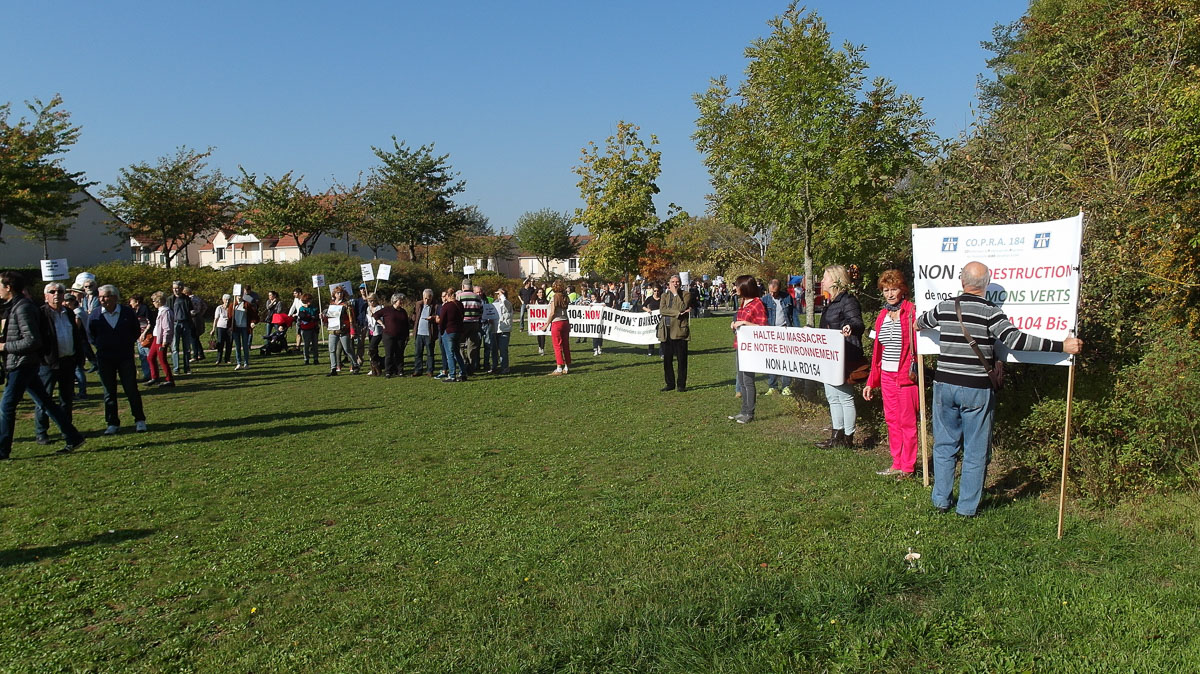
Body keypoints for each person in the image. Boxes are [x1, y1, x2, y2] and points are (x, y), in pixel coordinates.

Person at [916, 261, 1083, 517]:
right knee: (975, 450)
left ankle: (941, 501)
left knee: (944, 445)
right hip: (975, 388)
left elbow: (920, 323)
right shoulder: (990, 311)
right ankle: (966, 509)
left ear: (962, 282)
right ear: (985, 286)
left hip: (944, 384)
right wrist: (1062, 346)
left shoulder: (945, 306)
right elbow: (1016, 340)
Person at [0, 272, 88, 457]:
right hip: (25, 363)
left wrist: (4, 346)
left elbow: (32, 340)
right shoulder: (16, 306)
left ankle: (2, 450)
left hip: (22, 363)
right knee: (46, 402)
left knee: (7, 406)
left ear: (8, 287)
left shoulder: (22, 308)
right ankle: (73, 437)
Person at [863, 270, 919, 477]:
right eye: (886, 290)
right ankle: (897, 462)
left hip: (905, 376)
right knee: (892, 420)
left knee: (907, 423)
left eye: (893, 289)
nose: (890, 294)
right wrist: (871, 381)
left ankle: (908, 466)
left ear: (902, 289)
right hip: (886, 375)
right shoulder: (882, 315)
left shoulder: (912, 311)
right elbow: (878, 351)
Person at [32, 282, 89, 446]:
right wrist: (43, 358)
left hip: (68, 361)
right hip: (48, 363)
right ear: (46, 296)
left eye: (60, 291)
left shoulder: (69, 313)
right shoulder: (40, 314)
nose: (56, 294)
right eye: (52, 291)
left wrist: (79, 357)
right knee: (44, 398)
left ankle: (67, 431)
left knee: (66, 399)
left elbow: (77, 336)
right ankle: (41, 432)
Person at [87, 283, 148, 435]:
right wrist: (103, 345)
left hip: (125, 356)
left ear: (114, 297)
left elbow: (135, 331)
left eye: (105, 296)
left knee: (131, 389)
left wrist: (124, 343)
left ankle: (139, 420)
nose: (102, 300)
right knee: (109, 391)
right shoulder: (95, 315)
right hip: (105, 357)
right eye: (100, 297)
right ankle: (112, 422)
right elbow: (90, 334)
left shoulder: (127, 313)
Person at [815, 265, 864, 449]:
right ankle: (836, 436)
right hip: (830, 356)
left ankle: (848, 439)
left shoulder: (848, 301)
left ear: (836, 279)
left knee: (844, 396)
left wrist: (850, 328)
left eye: (825, 278)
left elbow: (857, 323)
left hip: (845, 355)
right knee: (832, 396)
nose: (822, 281)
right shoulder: (831, 302)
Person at [728, 275, 766, 423]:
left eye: (737, 286)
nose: (735, 288)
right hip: (740, 345)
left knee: (748, 380)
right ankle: (743, 410)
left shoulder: (757, 304)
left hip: (751, 348)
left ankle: (749, 412)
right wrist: (735, 324)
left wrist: (744, 323)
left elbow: (763, 327)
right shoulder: (742, 303)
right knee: (742, 379)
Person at [762, 279, 798, 396]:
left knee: (786, 359)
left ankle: (786, 385)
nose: (773, 294)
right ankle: (772, 386)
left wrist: (797, 330)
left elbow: (793, 315)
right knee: (772, 359)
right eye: (771, 292)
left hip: (785, 331)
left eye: (775, 293)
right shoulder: (765, 300)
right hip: (771, 333)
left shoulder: (787, 298)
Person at [658, 274, 692, 392]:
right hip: (666, 331)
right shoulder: (664, 295)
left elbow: (682, 306)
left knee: (682, 360)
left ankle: (681, 385)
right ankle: (670, 383)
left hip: (679, 330)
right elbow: (662, 310)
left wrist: (676, 294)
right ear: (669, 283)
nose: (675, 284)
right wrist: (677, 313)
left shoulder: (685, 295)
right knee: (667, 360)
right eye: (673, 282)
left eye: (677, 281)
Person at [375, 293, 410, 378]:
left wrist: (407, 335)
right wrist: (382, 323)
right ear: (395, 301)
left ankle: (400, 371)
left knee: (400, 354)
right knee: (389, 354)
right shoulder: (387, 310)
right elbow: (375, 315)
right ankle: (388, 371)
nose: (401, 302)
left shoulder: (403, 311)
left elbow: (406, 324)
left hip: (401, 336)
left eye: (402, 300)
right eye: (400, 300)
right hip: (388, 335)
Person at [326, 284, 358, 376]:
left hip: (344, 330)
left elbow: (351, 318)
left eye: (341, 293)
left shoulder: (347, 304)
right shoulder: (331, 304)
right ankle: (333, 368)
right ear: (334, 294)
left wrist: (352, 331)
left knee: (347, 349)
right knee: (332, 349)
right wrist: (323, 317)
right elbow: (329, 317)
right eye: (337, 293)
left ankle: (355, 365)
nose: (339, 294)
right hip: (333, 330)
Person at [146, 291, 175, 387]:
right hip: (156, 337)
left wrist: (165, 341)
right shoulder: (161, 310)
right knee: (150, 357)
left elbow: (167, 328)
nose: (153, 303)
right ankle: (155, 377)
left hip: (161, 339)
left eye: (154, 301)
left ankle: (169, 379)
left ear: (158, 301)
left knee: (162, 359)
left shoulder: (166, 311)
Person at [436, 288, 465, 382]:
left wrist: (439, 326)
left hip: (448, 331)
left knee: (450, 354)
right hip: (458, 331)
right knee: (457, 353)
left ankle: (452, 375)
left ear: (448, 296)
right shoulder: (460, 304)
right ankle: (463, 373)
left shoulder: (447, 306)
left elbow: (442, 320)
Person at [167, 281, 194, 375]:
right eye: (174, 288)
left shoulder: (186, 299)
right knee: (175, 347)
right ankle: (176, 368)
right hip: (174, 324)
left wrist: (192, 313)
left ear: (181, 288)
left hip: (185, 323)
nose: (175, 290)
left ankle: (187, 368)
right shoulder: (170, 299)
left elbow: (191, 309)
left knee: (186, 347)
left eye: (177, 288)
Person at [456, 281, 482, 374]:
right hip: (474, 323)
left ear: (463, 286)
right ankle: (471, 366)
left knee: (459, 344)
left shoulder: (459, 296)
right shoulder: (477, 297)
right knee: (472, 346)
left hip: (463, 323)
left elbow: (457, 310)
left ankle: (464, 362)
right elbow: (481, 311)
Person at [411, 289, 439, 377]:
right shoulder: (419, 304)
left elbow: (439, 317)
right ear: (423, 297)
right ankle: (418, 370)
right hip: (419, 333)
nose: (427, 300)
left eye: (429, 299)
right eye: (425, 298)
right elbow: (414, 315)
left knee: (430, 353)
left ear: (432, 298)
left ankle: (430, 370)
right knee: (418, 353)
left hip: (429, 333)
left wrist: (433, 318)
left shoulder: (435, 306)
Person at [547, 279, 571, 375]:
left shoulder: (554, 297)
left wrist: (546, 324)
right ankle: (567, 366)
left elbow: (553, 312)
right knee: (565, 345)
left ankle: (559, 367)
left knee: (557, 345)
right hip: (565, 321)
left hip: (557, 322)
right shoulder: (565, 297)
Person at [230, 291, 258, 370]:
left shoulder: (247, 304)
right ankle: (239, 363)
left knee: (245, 345)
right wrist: (230, 327)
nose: (239, 297)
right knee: (237, 346)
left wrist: (252, 322)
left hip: (244, 328)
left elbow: (253, 315)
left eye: (240, 295)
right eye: (237, 295)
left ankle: (246, 363)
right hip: (236, 328)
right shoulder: (232, 305)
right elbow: (230, 317)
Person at [129, 294, 153, 379]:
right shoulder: (133, 311)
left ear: (137, 301)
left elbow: (149, 322)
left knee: (149, 355)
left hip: (146, 335)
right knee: (142, 356)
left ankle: (153, 374)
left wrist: (144, 333)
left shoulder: (144, 309)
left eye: (131, 301)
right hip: (138, 336)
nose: (130, 303)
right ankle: (147, 375)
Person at [363, 292, 385, 376]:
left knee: (371, 350)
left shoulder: (380, 308)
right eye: (369, 301)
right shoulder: (368, 308)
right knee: (373, 350)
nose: (371, 303)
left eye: (373, 301)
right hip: (370, 330)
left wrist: (375, 316)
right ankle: (374, 368)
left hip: (378, 331)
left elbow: (382, 319)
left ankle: (377, 366)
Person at [295, 293, 320, 366]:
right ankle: (306, 359)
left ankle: (316, 359)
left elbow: (316, 317)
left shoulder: (314, 308)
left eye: (310, 299)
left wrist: (311, 317)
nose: (310, 301)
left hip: (314, 328)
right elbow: (303, 317)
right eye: (308, 299)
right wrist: (311, 317)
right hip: (305, 329)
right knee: (306, 345)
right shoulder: (302, 309)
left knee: (315, 345)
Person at [184, 286, 207, 361]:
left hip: (192, 318)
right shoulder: (198, 298)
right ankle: (201, 353)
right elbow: (205, 306)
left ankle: (195, 355)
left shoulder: (189, 300)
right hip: (198, 318)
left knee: (193, 337)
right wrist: (201, 314)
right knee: (196, 337)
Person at [493, 288, 513, 373]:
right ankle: (494, 366)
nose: (499, 295)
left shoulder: (508, 303)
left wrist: (502, 295)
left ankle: (505, 367)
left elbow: (505, 302)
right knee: (494, 349)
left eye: (500, 294)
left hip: (504, 330)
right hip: (495, 329)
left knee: (503, 349)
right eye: (498, 294)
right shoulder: (495, 303)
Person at [209, 294, 233, 364]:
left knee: (229, 343)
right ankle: (218, 359)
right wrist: (213, 329)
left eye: (229, 300)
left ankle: (227, 359)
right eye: (226, 299)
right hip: (220, 327)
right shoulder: (219, 308)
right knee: (220, 343)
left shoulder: (232, 308)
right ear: (223, 300)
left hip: (229, 328)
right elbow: (216, 319)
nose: (227, 301)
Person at [480, 286, 499, 372]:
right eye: (477, 292)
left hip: (487, 324)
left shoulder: (487, 300)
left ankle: (486, 363)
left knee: (487, 345)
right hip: (478, 324)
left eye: (480, 291)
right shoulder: (475, 300)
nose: (479, 293)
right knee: (476, 346)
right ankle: (476, 364)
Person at [642, 283, 662, 357]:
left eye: (657, 291)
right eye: (655, 291)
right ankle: (650, 351)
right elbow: (643, 306)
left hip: (660, 319)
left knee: (661, 335)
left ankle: (661, 352)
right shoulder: (650, 298)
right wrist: (647, 309)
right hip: (652, 320)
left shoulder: (662, 298)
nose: (656, 292)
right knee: (651, 334)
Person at [529, 287, 549, 356]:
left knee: (543, 335)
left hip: (544, 321)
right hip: (537, 321)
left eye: (542, 292)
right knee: (538, 334)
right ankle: (540, 346)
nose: (541, 294)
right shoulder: (534, 301)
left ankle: (542, 348)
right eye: (540, 292)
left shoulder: (546, 301)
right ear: (537, 294)